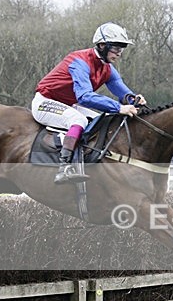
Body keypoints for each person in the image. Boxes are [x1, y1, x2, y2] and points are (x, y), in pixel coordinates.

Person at [32, 22, 147, 184]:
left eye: (121, 49)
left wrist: (133, 99)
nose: (119, 53)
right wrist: (119, 107)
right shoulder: (79, 61)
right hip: (45, 102)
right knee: (78, 120)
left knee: (101, 121)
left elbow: (122, 92)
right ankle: (64, 167)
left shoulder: (107, 67)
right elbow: (84, 96)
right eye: (116, 48)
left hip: (67, 104)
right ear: (102, 45)